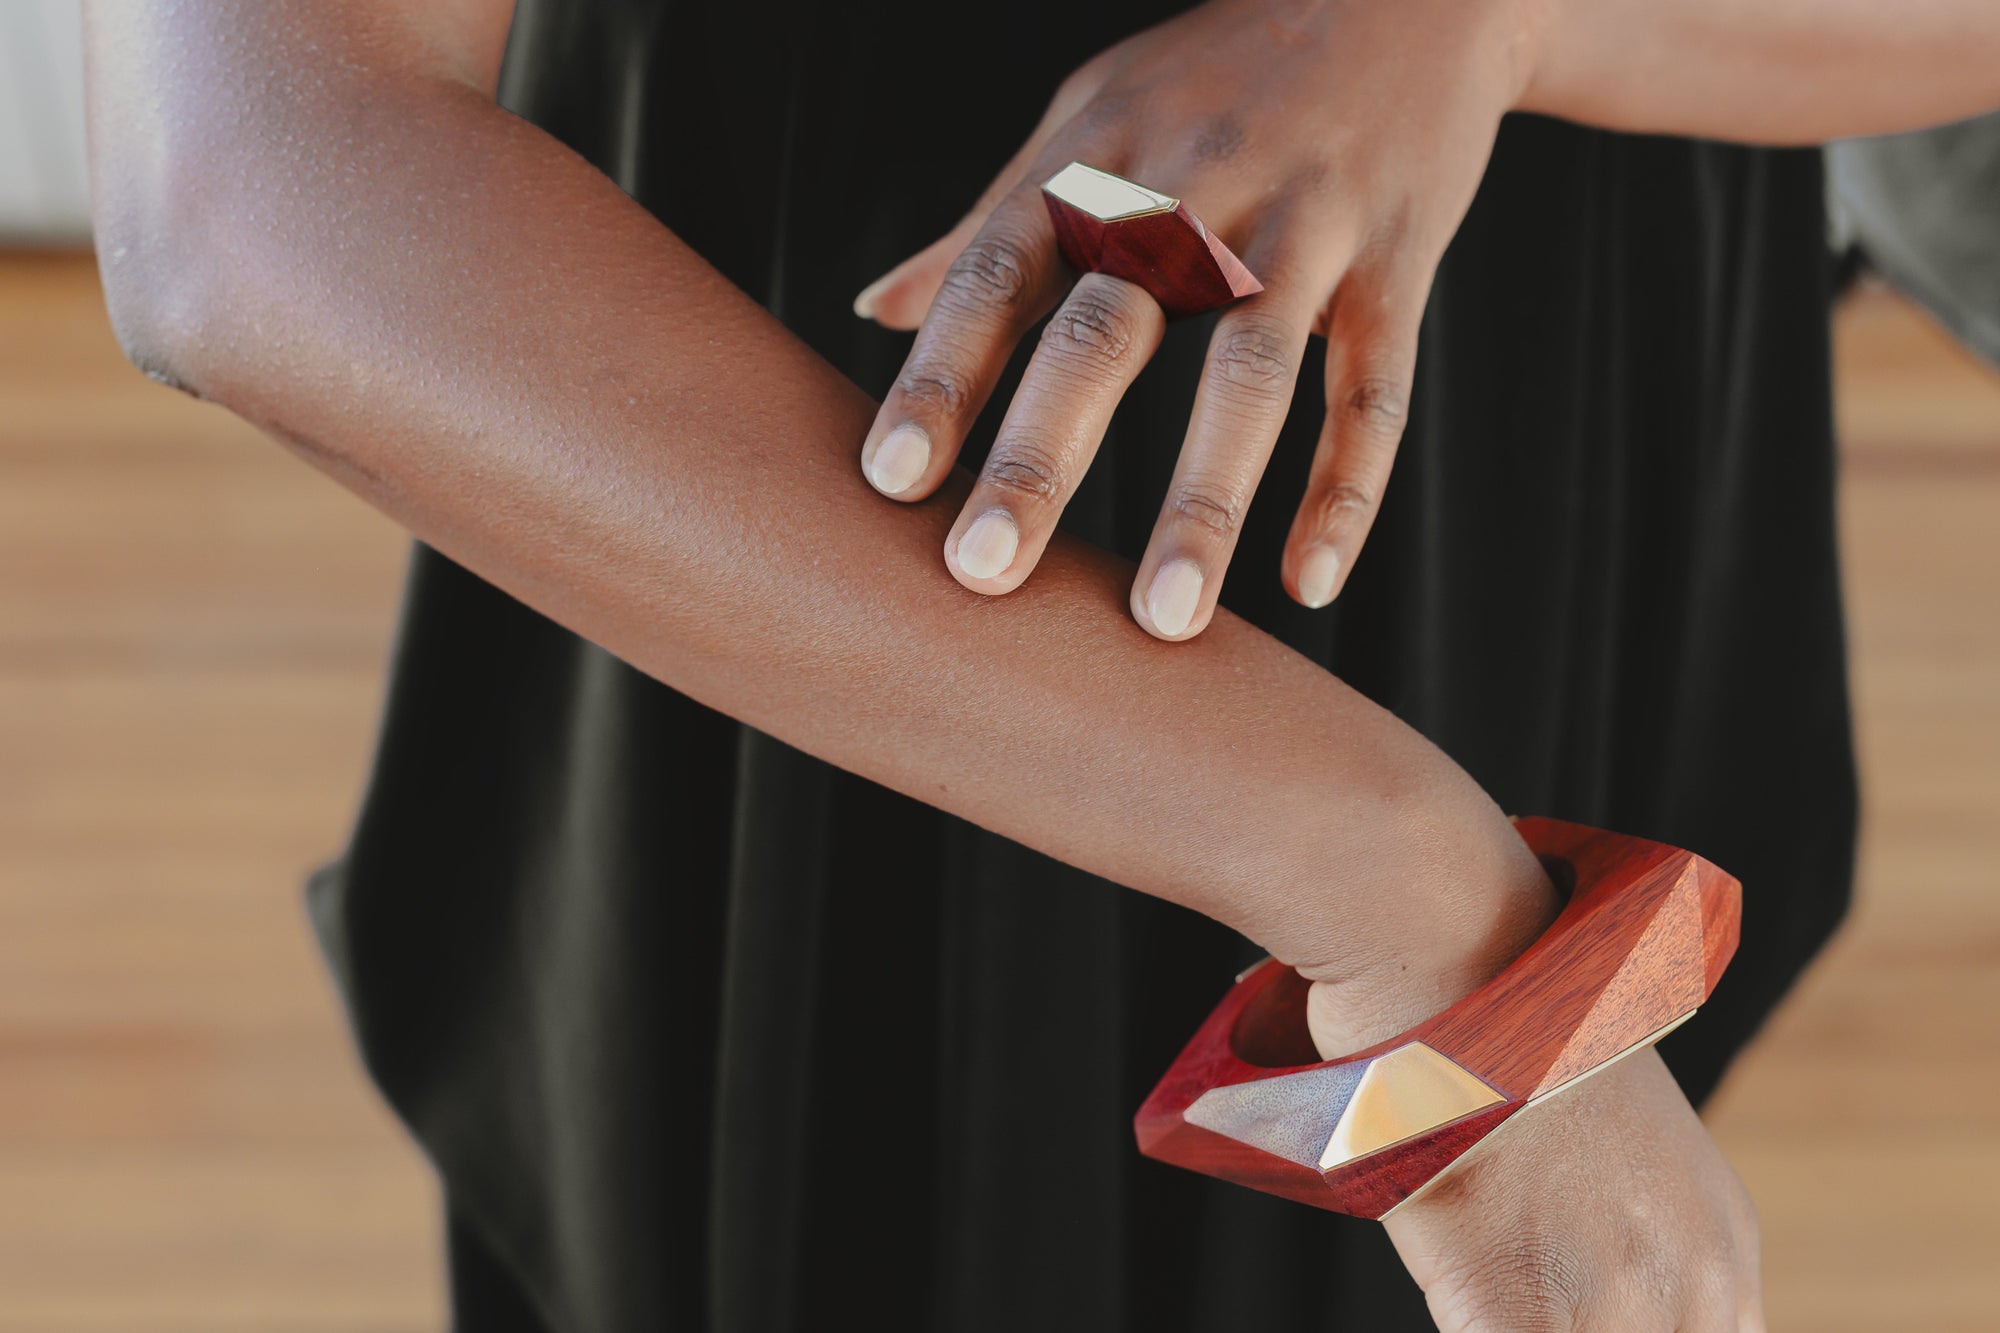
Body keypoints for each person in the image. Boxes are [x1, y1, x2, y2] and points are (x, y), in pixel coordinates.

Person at [80, 1, 2000, 1329]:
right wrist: (1404, 887)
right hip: (768, 486)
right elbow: (243, 180)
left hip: (1536, 360)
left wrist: (1481, 26)